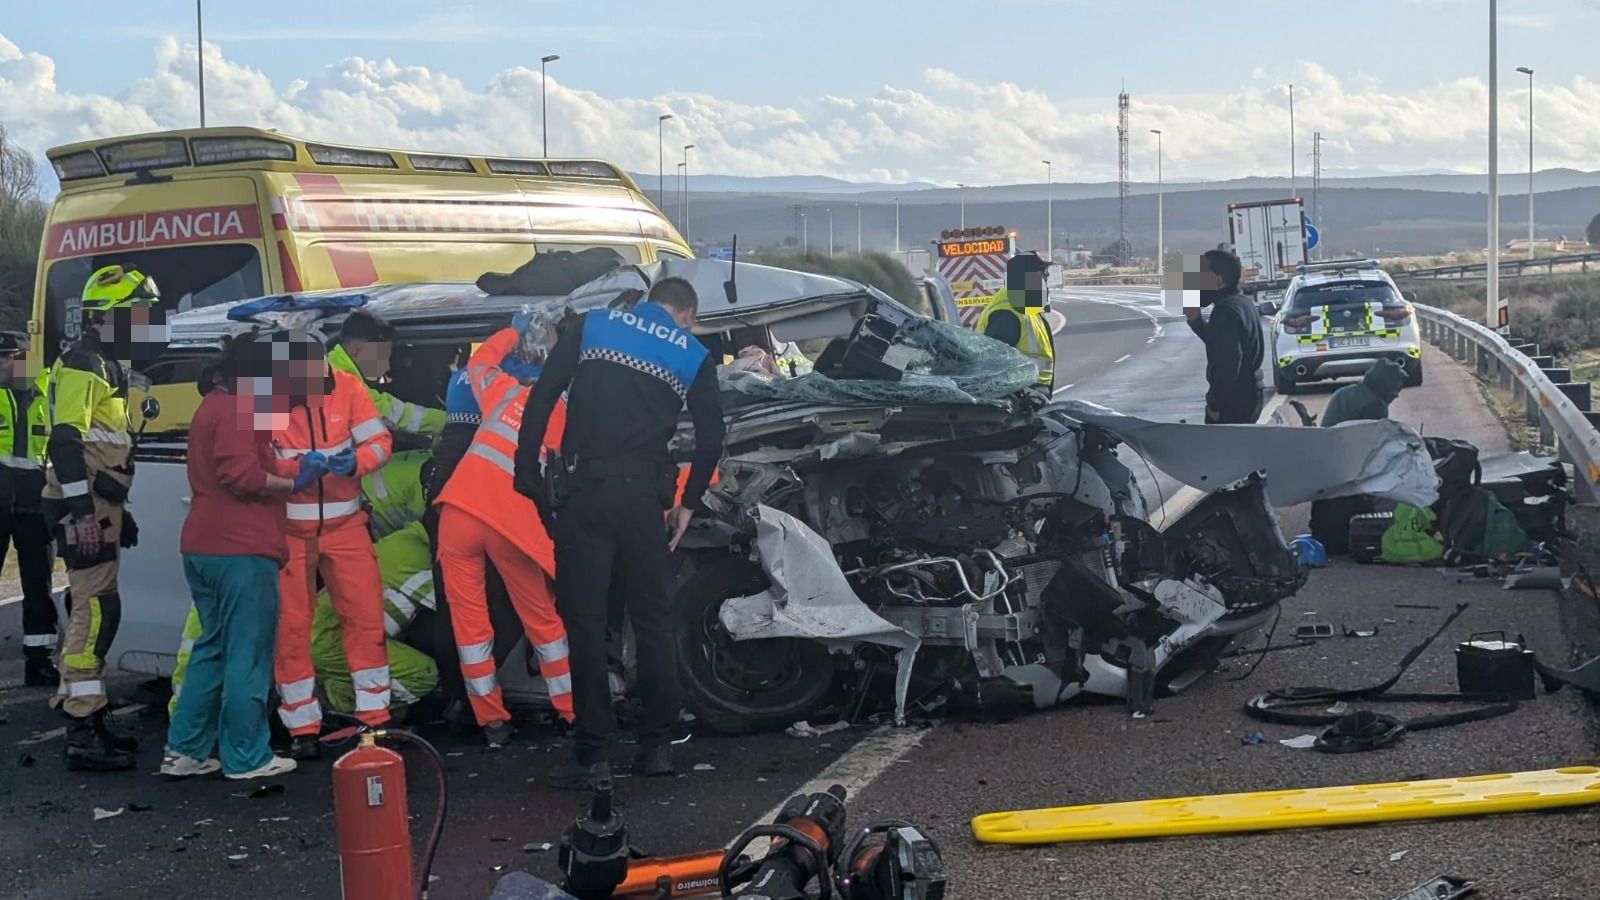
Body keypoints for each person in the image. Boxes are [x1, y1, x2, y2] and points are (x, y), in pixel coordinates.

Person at [514, 277, 724, 788]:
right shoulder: (692, 355)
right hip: (643, 502)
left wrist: (527, 473)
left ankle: (592, 755)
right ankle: (656, 748)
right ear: (687, 314)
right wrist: (688, 504)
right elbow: (713, 436)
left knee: (584, 623)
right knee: (653, 621)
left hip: (585, 493)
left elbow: (542, 396)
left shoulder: (592, 325)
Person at [161, 333, 305, 780]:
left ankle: (183, 749)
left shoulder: (216, 405)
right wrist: (294, 483)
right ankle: (248, 757)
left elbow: (246, 462)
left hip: (204, 545)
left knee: (215, 648)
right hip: (241, 549)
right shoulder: (239, 409)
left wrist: (294, 466)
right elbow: (243, 476)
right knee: (249, 652)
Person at [43, 266, 167, 770]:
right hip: (83, 509)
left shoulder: (105, 365)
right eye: (139, 314)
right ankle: (81, 723)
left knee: (99, 608)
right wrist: (84, 514)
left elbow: (102, 449)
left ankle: (88, 715)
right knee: (92, 611)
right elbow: (66, 442)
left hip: (98, 507)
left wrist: (118, 512)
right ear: (111, 317)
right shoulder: (84, 363)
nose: (147, 324)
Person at [435, 313, 574, 747]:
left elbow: (477, 365)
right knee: (542, 619)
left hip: (457, 512)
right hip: (508, 521)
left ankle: (492, 721)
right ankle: (571, 711)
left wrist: (510, 333)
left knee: (471, 625)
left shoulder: (501, 393)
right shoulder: (565, 412)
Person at [266, 329, 394, 760]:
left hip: (345, 525)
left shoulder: (348, 386)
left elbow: (379, 441)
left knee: (364, 618)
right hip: (290, 531)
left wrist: (356, 461)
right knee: (292, 627)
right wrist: (297, 469)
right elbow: (258, 460)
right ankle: (302, 726)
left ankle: (374, 719)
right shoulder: (264, 397)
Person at [311, 521, 439, 721]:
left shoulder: (402, 539)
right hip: (331, 638)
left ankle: (330, 686)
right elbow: (458, 615)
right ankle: (334, 704)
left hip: (317, 629)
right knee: (422, 675)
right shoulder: (425, 561)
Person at [0, 331, 57, 686]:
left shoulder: (51, 391)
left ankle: (39, 661)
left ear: (23, 358)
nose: (1, 365)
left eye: (6, 358)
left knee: (38, 586)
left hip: (37, 505)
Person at [330, 310, 445, 438]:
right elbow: (391, 413)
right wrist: (450, 422)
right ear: (356, 350)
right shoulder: (340, 379)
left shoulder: (336, 367)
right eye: (381, 357)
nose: (387, 367)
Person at [1185, 248, 1265, 424]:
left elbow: (1228, 363)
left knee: (1222, 451)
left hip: (1234, 402)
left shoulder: (1225, 311)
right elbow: (1221, 343)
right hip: (1251, 394)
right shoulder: (1243, 303)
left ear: (1219, 280)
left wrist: (1216, 406)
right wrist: (1196, 321)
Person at [977, 252, 1056, 389]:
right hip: (1020, 393)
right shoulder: (1006, 312)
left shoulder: (1026, 306)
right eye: (1042, 272)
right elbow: (995, 363)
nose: (1047, 275)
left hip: (1030, 391)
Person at [1321, 360, 1407, 428]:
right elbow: (1376, 439)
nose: (1393, 399)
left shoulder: (1342, 393)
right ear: (1385, 390)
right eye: (1393, 396)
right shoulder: (1375, 405)